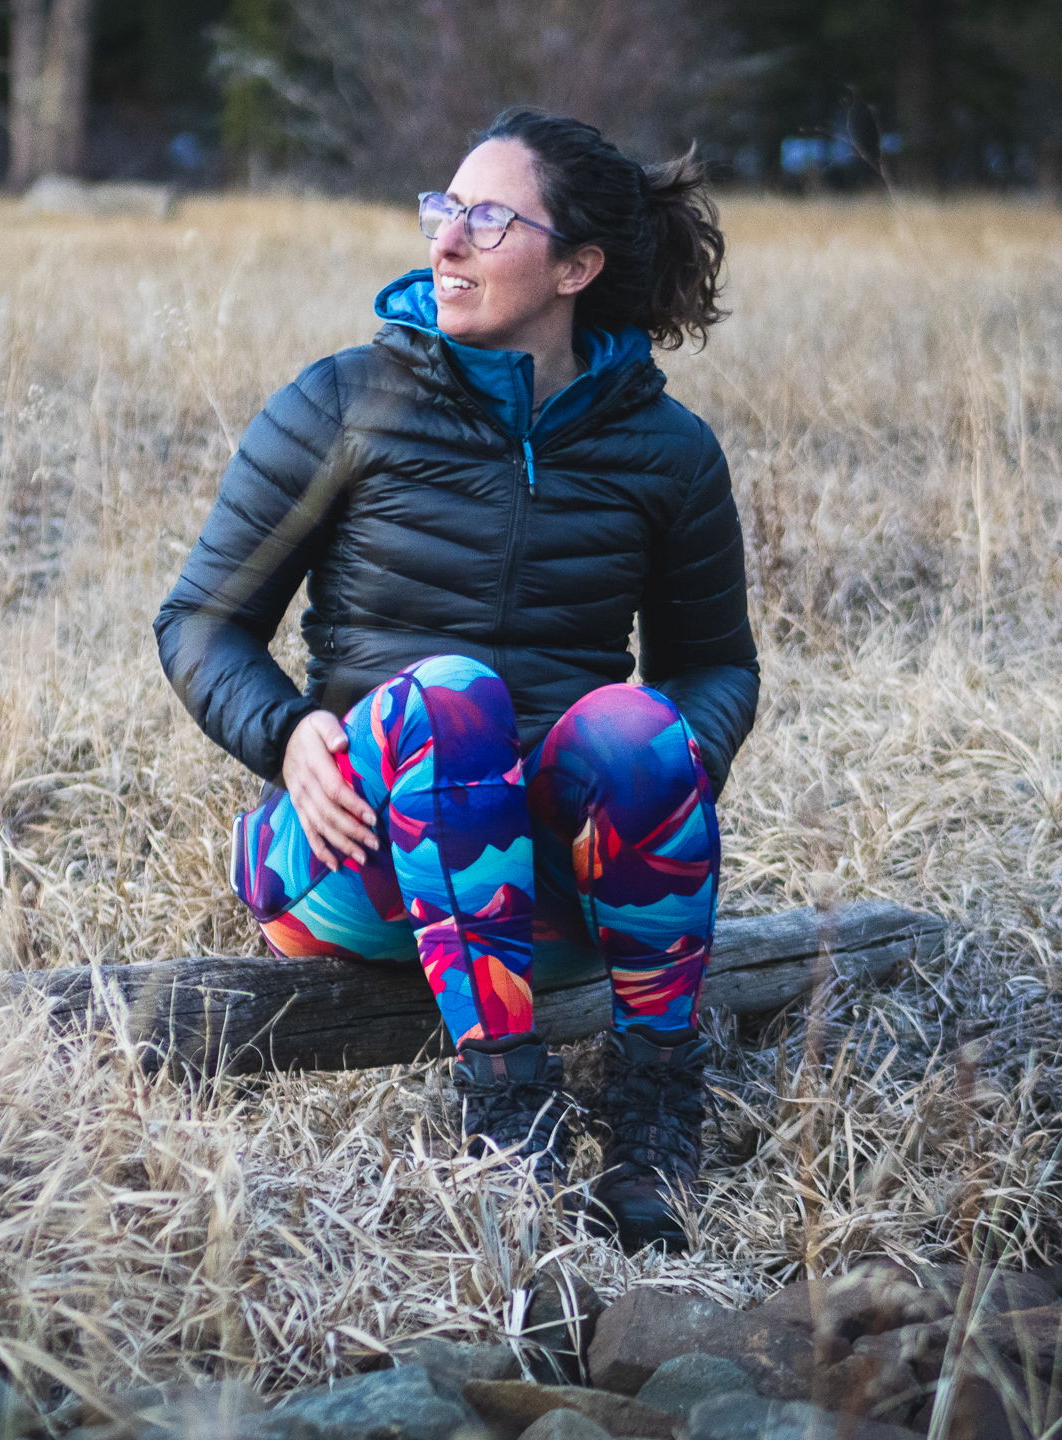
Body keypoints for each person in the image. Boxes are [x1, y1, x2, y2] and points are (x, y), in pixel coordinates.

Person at [153, 109, 758, 1251]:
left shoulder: (667, 451)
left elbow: (715, 666)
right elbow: (201, 622)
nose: (447, 240)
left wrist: (668, 775)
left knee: (637, 723)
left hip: (551, 889)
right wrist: (287, 735)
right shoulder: (350, 402)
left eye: (489, 217)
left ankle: (654, 1099)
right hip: (357, 860)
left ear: (577, 267)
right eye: (445, 207)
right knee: (449, 696)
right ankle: (506, 1104)